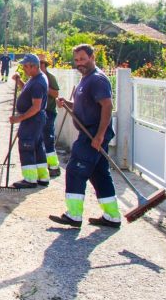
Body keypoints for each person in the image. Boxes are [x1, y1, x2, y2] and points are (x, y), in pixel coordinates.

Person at [49, 44, 120, 228]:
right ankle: (112, 216)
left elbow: (107, 106)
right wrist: (68, 104)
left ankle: (74, 215)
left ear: (92, 57)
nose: (79, 63)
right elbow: (86, 106)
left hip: (92, 136)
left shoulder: (97, 79)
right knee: (100, 175)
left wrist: (99, 136)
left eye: (82, 58)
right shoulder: (86, 79)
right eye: (77, 60)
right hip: (91, 134)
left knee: (74, 170)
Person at [9, 54, 50, 188]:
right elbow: (27, 90)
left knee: (26, 146)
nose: (24, 69)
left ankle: (30, 179)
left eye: (25, 67)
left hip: (32, 120)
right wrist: (19, 81)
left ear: (33, 66)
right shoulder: (35, 79)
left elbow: (36, 107)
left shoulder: (38, 82)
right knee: (38, 147)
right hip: (35, 120)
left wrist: (18, 118)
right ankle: (43, 177)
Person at [37, 54, 61, 177]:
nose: (39, 66)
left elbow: (56, 93)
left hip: (49, 112)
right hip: (38, 113)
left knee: (48, 139)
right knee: (39, 139)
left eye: (41, 64)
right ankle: (43, 167)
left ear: (44, 65)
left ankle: (54, 167)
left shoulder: (50, 78)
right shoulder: (36, 78)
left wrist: (45, 88)